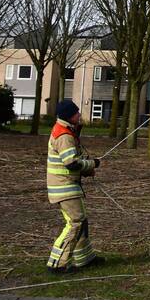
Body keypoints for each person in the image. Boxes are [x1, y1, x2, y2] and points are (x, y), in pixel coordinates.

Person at [46, 99, 102, 273]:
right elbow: (71, 164)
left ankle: (85, 259)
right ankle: (57, 264)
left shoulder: (67, 131)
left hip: (68, 186)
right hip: (64, 188)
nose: (79, 115)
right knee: (75, 223)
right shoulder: (64, 135)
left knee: (81, 221)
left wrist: (86, 170)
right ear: (69, 116)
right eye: (76, 112)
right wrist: (92, 164)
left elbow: (72, 161)